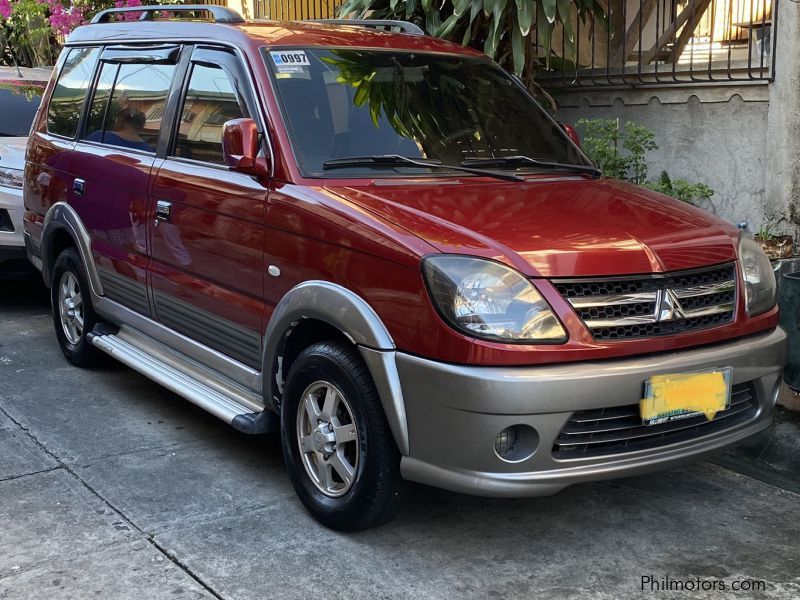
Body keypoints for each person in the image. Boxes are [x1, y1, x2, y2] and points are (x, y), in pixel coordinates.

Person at [87, 107, 152, 152]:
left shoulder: (99, 136)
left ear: (121, 121)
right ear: (142, 126)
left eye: (116, 120)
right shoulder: (148, 150)